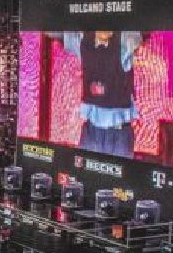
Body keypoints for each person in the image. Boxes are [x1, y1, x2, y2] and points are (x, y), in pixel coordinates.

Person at [57, 30, 142, 158]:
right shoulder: (84, 42)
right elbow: (55, 32)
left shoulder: (124, 40)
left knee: (118, 176)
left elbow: (141, 31)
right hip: (91, 130)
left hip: (119, 133)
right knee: (84, 175)